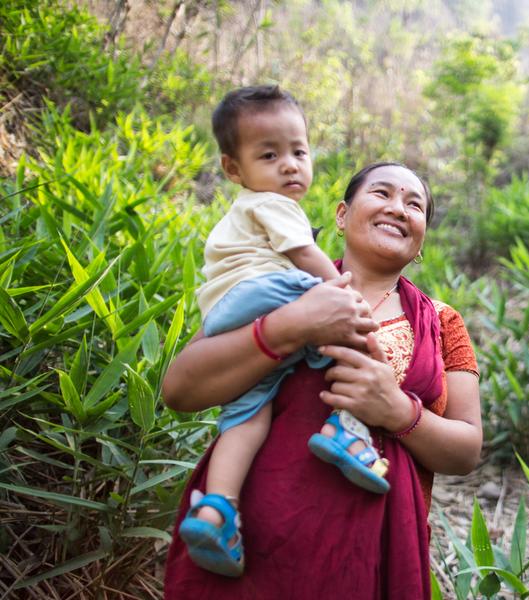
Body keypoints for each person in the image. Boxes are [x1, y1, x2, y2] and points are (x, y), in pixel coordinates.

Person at [162, 162, 482, 597]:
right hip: (258, 540)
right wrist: (288, 327)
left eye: (414, 204)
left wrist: (399, 411)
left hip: (376, 554)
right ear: (341, 215)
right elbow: (179, 388)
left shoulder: (443, 323)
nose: (398, 209)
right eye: (382, 193)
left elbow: (465, 451)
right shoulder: (276, 288)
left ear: (422, 238)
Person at [180, 86, 395, 577]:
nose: (290, 166)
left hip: (227, 310)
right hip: (266, 290)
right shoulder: (271, 204)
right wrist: (342, 292)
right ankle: (347, 430)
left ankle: (216, 510)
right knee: (346, 325)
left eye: (299, 152)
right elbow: (305, 255)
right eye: (270, 155)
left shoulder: (248, 210)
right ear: (234, 169)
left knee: (245, 413)